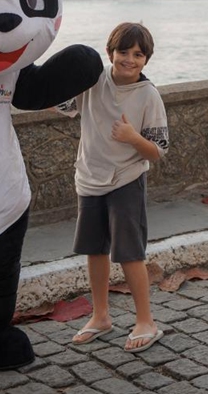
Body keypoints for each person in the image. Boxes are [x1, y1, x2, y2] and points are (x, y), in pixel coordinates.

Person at [56, 22, 169, 353]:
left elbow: (158, 150)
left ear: (146, 60)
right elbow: (61, 103)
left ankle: (146, 320)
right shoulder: (93, 82)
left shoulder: (148, 95)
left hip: (126, 180)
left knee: (130, 253)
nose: (129, 60)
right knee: (95, 249)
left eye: (138, 54)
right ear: (110, 53)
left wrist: (133, 137)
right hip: (89, 178)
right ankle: (101, 315)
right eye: (123, 52)